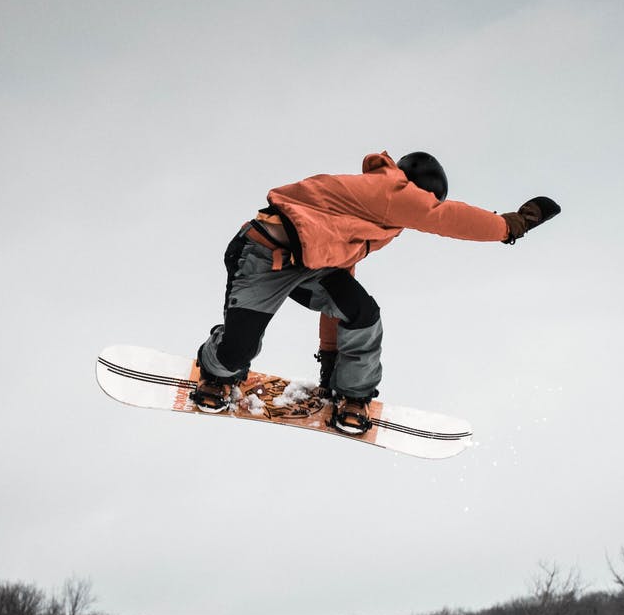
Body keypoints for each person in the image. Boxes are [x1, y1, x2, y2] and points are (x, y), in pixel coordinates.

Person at [193, 150, 560, 434]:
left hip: (312, 265)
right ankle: (217, 369)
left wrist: (332, 359)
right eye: (424, 202)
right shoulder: (390, 189)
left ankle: (352, 393)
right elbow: (445, 217)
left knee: (361, 313)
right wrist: (510, 225)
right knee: (236, 353)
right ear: (420, 189)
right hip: (261, 255)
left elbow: (339, 286)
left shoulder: (373, 219)